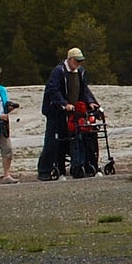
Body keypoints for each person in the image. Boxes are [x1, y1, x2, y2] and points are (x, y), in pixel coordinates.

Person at [39, 48, 97, 180]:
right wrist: (64, 103)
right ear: (70, 59)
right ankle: (44, 170)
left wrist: (90, 102)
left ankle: (80, 165)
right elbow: (53, 90)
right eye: (77, 61)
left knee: (77, 137)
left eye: (80, 61)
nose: (79, 64)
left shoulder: (80, 72)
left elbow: (84, 90)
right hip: (56, 111)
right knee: (52, 141)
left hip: (74, 112)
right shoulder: (58, 71)